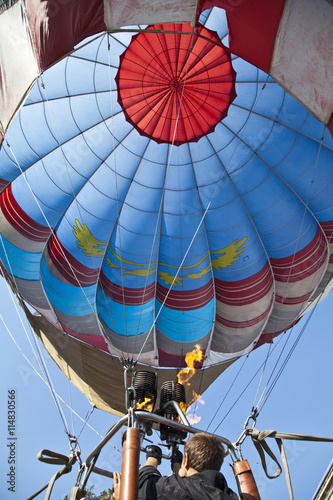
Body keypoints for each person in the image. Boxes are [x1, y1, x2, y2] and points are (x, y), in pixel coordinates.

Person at [113, 432, 238, 499]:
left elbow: (144, 480)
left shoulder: (168, 489)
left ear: (186, 459)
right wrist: (178, 465)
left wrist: (153, 458)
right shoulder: (231, 496)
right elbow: (193, 485)